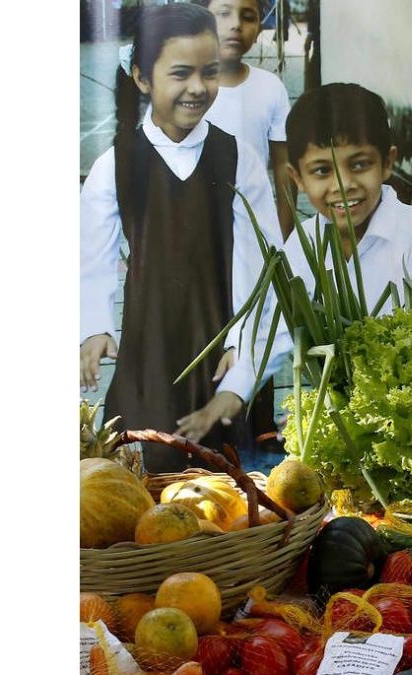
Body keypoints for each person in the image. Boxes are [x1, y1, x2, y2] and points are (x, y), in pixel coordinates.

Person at [176, 82, 412, 441]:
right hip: (336, 421)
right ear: (297, 178)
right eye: (321, 171)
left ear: (388, 164)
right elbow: (277, 331)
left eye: (360, 165)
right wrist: (229, 394)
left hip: (407, 420)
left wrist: (339, 413)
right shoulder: (302, 247)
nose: (343, 185)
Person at [79, 3, 282, 472]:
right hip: (145, 365)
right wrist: (93, 328)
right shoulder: (116, 165)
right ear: (143, 78)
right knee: (134, 488)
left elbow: (266, 271)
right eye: (180, 73)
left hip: (217, 366)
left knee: (222, 492)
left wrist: (245, 352)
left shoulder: (238, 160)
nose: (197, 87)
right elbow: (90, 259)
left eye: (209, 72)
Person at [190, 0, 296, 239]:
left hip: (253, 228)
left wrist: (284, 234)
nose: (236, 25)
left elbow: (283, 166)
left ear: (259, 27)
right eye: (224, 14)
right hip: (193, 228)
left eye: (248, 17)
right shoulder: (183, 86)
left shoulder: (270, 88)